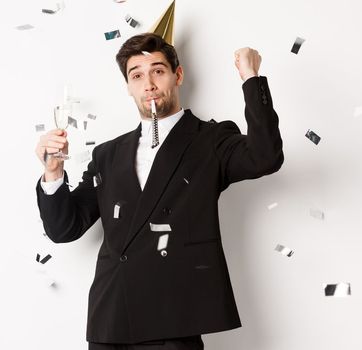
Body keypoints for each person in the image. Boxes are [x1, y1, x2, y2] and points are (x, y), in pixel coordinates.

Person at [34, 33, 284, 349]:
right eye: (137, 75)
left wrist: (251, 78)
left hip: (173, 319)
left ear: (177, 76)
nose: (148, 83)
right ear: (128, 86)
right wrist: (53, 172)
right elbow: (62, 229)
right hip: (110, 321)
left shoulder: (211, 139)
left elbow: (266, 156)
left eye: (158, 70)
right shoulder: (107, 155)